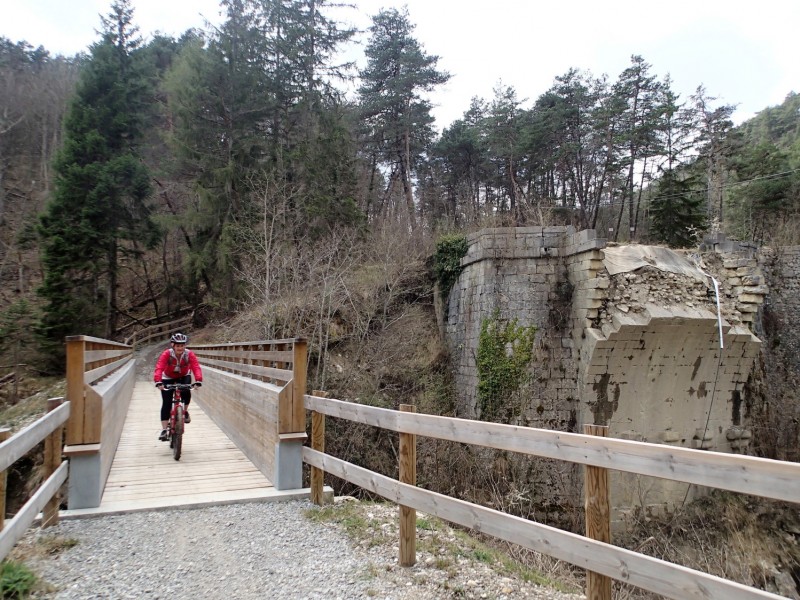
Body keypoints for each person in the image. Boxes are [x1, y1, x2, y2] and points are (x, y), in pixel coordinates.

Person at [153, 332, 203, 441]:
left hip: (184, 375)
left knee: (186, 393)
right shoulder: (167, 354)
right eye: (178, 345)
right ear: (173, 345)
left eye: (182, 345)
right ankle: (164, 430)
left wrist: (198, 380)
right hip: (167, 377)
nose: (180, 348)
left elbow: (195, 366)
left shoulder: (189, 354)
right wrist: (158, 381)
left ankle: (184, 412)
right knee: (166, 403)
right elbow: (159, 367)